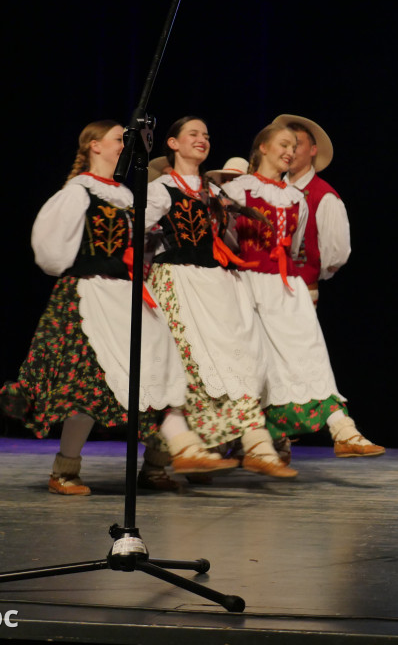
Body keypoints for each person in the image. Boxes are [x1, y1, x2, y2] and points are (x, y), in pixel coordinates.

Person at [0, 120, 235, 495]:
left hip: (127, 293)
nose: (125, 145)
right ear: (94, 145)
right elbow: (50, 250)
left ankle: (184, 448)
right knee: (86, 384)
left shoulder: (126, 197)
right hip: (89, 294)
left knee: (163, 363)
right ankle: (65, 470)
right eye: (118, 139)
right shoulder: (78, 193)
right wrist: (89, 269)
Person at [146, 117, 297, 479]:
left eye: (206, 135)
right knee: (189, 369)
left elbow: (229, 243)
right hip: (175, 282)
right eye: (193, 134)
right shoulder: (161, 189)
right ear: (173, 143)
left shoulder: (215, 193)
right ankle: (172, 457)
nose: (202, 139)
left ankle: (253, 447)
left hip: (213, 285)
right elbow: (137, 238)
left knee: (231, 365)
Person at [222, 121, 384, 458]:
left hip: (287, 286)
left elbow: (296, 247)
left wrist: (296, 280)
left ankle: (343, 430)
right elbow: (228, 242)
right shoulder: (238, 190)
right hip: (248, 285)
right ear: (263, 147)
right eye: (283, 144)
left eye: (293, 147)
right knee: (257, 366)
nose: (289, 151)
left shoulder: (297, 197)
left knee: (311, 356)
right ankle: (257, 443)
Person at [280, 114, 351, 305]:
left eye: (297, 144)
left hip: (301, 292)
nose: (291, 150)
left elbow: (336, 256)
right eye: (286, 144)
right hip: (268, 290)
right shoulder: (272, 190)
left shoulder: (323, 196)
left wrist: (309, 272)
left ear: (312, 150)